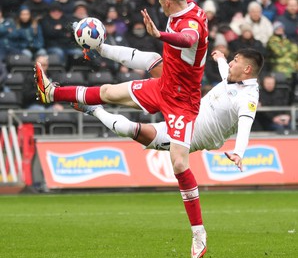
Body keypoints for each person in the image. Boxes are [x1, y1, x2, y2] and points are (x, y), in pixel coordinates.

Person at [35, 0, 209, 258]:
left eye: (161, 3)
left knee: (178, 162)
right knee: (108, 92)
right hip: (164, 82)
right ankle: (51, 91)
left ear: (169, 3)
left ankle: (198, 232)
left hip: (183, 101)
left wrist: (161, 34)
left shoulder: (191, 24)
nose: (160, 5)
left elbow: (187, 39)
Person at [71, 47, 263, 173]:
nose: (231, 63)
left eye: (235, 61)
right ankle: (102, 49)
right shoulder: (233, 79)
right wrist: (221, 59)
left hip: (191, 137)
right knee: (155, 62)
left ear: (247, 69)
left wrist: (238, 152)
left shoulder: (248, 98)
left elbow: (245, 126)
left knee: (132, 130)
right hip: (184, 110)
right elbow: (225, 74)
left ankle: (94, 110)